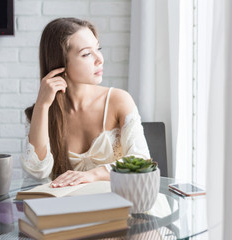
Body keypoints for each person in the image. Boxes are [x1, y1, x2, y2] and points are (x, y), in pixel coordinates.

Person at [20, 18, 150, 188]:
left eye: (98, 49)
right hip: (72, 209)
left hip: (120, 205)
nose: (100, 59)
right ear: (61, 63)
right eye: (87, 54)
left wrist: (93, 175)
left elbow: (142, 161)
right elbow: (38, 172)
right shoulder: (43, 112)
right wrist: (42, 106)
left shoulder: (118, 100)